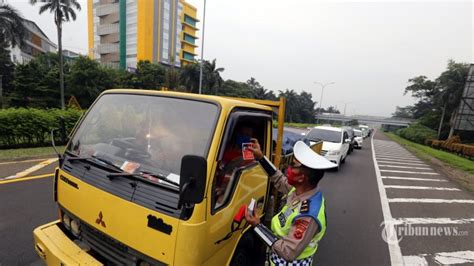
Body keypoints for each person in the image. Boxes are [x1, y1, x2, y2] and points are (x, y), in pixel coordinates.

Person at [245, 139, 337, 265]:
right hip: (275, 256)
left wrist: (257, 226)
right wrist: (261, 157)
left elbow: (287, 251)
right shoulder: (301, 190)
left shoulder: (308, 215)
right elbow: (279, 179)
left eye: (293, 165)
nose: (288, 167)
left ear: (301, 178)